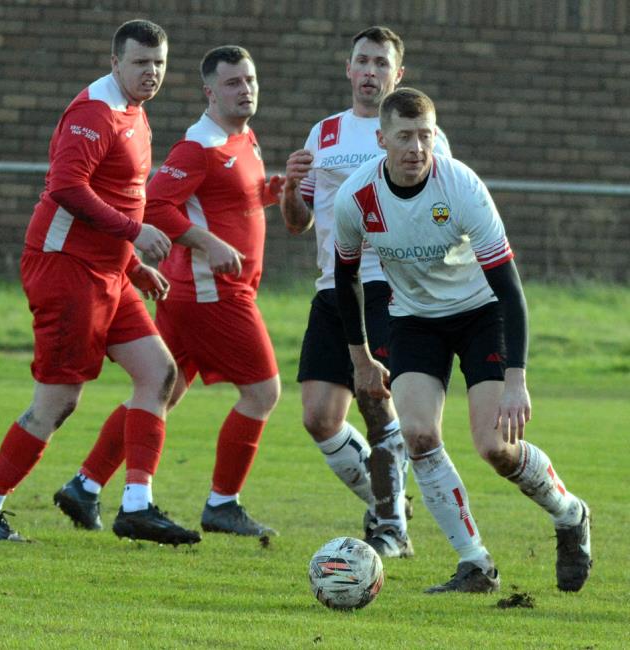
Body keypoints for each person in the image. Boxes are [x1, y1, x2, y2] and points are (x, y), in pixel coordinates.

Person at [333, 86, 591, 593]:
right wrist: (361, 357)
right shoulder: (357, 197)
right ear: (381, 139)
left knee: (494, 447)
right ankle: (476, 564)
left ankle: (569, 514)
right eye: (404, 136)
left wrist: (516, 380)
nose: (415, 147)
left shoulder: (461, 187)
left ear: (436, 136)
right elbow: (346, 278)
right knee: (419, 435)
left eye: (425, 135)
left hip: (481, 315)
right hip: (414, 321)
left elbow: (509, 288)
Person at [0, 20, 201, 546]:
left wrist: (133, 266)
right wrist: (135, 234)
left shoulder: (134, 113)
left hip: (107, 272)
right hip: (64, 269)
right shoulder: (93, 114)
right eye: (141, 63)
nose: (152, 73)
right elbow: (67, 188)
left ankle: (136, 505)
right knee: (58, 400)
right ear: (115, 62)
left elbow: (115, 195)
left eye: (159, 63)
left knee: (161, 374)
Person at [54, 45, 284, 538]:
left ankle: (86, 484)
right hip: (211, 294)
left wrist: (270, 192)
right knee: (264, 392)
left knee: (160, 393)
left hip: (198, 295)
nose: (244, 90)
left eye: (249, 80)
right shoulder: (197, 147)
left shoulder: (243, 138)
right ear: (209, 91)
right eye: (232, 83)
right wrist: (206, 242)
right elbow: (157, 206)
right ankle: (223, 503)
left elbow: (226, 199)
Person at [280, 26, 451, 558]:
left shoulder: (420, 135)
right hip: (333, 287)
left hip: (387, 287)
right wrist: (289, 187)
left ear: (398, 75)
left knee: (376, 398)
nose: (371, 71)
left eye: (382, 63)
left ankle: (391, 526)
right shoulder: (325, 134)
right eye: (363, 61)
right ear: (348, 69)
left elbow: (446, 213)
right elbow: (297, 223)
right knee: (319, 417)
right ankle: (391, 500)